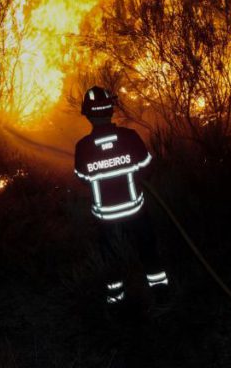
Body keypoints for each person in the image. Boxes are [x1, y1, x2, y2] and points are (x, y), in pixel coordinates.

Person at [74, 86, 168, 306]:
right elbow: (147, 167)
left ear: (87, 115)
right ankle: (161, 295)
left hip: (106, 219)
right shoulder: (129, 137)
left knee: (110, 260)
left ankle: (117, 304)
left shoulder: (83, 147)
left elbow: (82, 179)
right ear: (111, 110)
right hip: (136, 212)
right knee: (148, 252)